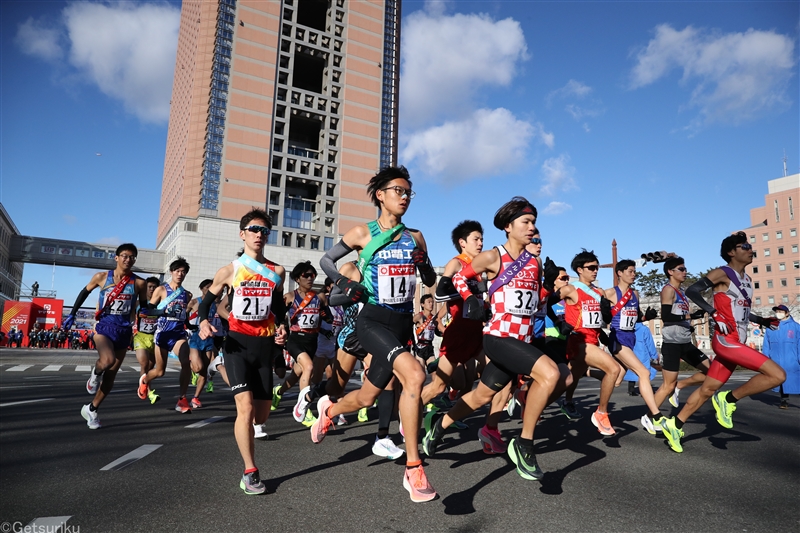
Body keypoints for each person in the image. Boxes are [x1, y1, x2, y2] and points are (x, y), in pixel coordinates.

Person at [315, 165, 438, 502]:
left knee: (368, 397)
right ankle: (414, 469)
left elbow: (428, 280)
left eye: (409, 192)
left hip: (401, 325)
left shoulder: (416, 236)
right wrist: (344, 283)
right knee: (414, 374)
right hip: (372, 322)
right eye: (398, 190)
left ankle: (330, 412)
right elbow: (327, 261)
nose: (405, 197)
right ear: (380, 195)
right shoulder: (362, 233)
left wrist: (423, 262)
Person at [423, 197, 560, 482]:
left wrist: (547, 289)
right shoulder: (493, 256)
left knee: (482, 395)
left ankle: (440, 425)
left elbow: (533, 305)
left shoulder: (533, 262)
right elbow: (459, 278)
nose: (532, 227)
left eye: (534, 222)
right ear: (509, 227)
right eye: (526, 222)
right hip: (498, 337)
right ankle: (524, 444)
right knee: (551, 373)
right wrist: (471, 297)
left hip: (522, 340)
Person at [660, 232, 785, 453]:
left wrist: (762, 320)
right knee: (777, 375)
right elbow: (693, 290)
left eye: (749, 245)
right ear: (731, 252)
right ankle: (728, 398)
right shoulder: (723, 272)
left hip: (738, 339)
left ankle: (675, 424)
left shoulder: (747, 280)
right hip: (726, 341)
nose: (749, 248)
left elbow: (741, 314)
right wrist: (713, 312)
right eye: (744, 245)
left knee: (707, 389)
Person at [198, 208, 288, 495]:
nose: (259, 235)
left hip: (265, 348)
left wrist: (283, 325)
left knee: (260, 417)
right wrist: (202, 321)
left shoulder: (277, 272)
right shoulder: (230, 270)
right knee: (245, 409)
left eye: (264, 231)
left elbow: (278, 307)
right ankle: (250, 471)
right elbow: (207, 302)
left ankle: (218, 368)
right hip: (236, 344)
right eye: (253, 230)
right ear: (243, 234)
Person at [424, 220, 510, 454]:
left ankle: (490, 428)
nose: (481, 243)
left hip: (479, 333)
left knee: (502, 377)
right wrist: (471, 291)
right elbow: (441, 294)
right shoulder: (457, 263)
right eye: (476, 239)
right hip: (459, 333)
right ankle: (408, 417)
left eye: (482, 239)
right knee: (438, 387)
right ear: (462, 243)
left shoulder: (481, 268)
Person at [62, 244, 149, 429]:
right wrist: (72, 314)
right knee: (107, 360)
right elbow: (84, 292)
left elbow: (144, 308)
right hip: (104, 328)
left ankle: (92, 409)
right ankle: (94, 374)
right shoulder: (102, 277)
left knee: (110, 377)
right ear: (116, 258)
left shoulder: (139, 283)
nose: (128, 260)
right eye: (124, 256)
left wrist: (158, 313)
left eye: (132, 257)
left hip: (124, 331)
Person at [555, 250, 621, 435]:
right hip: (579, 341)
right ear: (579, 269)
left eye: (597, 267)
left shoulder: (599, 292)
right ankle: (601, 413)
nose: (595, 271)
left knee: (570, 379)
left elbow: (598, 319)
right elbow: (546, 302)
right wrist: (559, 322)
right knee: (614, 369)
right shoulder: (571, 289)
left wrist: (603, 333)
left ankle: (532, 397)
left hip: (593, 339)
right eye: (591, 268)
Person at [602, 259, 661, 433]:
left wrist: (646, 318)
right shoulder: (609, 293)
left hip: (631, 339)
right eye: (629, 271)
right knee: (644, 372)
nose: (633, 274)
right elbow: (602, 318)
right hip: (618, 338)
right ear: (619, 273)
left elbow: (635, 318)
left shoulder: (635, 294)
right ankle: (655, 415)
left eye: (634, 271)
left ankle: (585, 372)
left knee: (617, 377)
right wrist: (604, 313)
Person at [652, 257, 710, 410]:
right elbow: (666, 316)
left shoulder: (682, 292)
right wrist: (691, 316)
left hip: (685, 342)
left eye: (685, 269)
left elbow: (679, 315)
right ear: (670, 272)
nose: (685, 272)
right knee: (667, 386)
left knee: (711, 372)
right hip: (672, 343)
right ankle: (650, 417)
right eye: (681, 269)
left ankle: (681, 385)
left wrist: (688, 325)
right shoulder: (668, 290)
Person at [137, 258, 193, 413]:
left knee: (186, 363)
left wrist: (192, 325)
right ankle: (145, 380)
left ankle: (182, 399)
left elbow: (183, 317)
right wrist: (164, 312)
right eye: (177, 271)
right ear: (171, 272)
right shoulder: (161, 290)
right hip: (163, 334)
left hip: (178, 335)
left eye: (183, 272)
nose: (180, 274)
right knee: (160, 372)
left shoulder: (187, 294)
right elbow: (146, 311)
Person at [762, 304, 799, 409]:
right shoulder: (771, 327)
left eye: (781, 311)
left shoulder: (796, 327)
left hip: (792, 360)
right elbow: (766, 345)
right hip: (776, 360)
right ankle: (784, 401)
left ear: (787, 313)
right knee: (781, 380)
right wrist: (765, 359)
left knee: (796, 380)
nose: (778, 313)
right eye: (777, 311)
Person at [134, 277, 161, 404]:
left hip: (155, 338)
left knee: (150, 367)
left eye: (154, 287)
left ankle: (144, 385)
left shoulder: (162, 304)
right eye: (149, 287)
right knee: (144, 363)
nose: (152, 289)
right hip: (141, 336)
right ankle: (149, 392)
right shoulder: (138, 303)